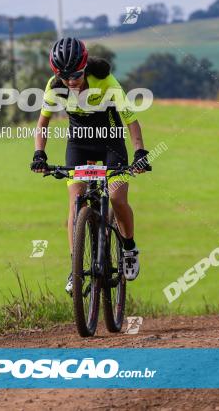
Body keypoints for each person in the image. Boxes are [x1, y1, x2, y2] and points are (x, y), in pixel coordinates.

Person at [30, 36, 151, 294]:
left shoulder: (106, 81)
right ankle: (76, 270)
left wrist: (140, 151)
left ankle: (129, 248)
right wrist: (39, 154)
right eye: (64, 76)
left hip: (110, 142)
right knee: (76, 201)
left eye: (76, 75)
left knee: (117, 197)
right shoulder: (55, 87)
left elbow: (131, 120)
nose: (71, 81)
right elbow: (42, 124)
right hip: (79, 144)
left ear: (85, 67)